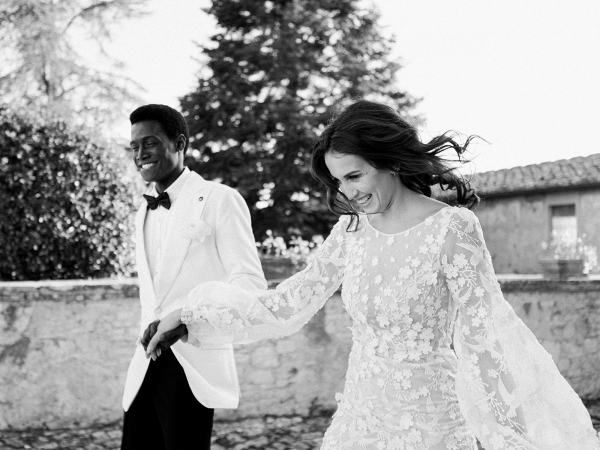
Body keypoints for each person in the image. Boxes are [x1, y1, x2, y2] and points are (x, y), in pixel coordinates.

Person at [146, 100, 600, 449]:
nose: (347, 192)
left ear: (391, 161)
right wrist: (189, 314)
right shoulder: (351, 230)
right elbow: (285, 304)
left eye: (355, 176)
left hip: (432, 422)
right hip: (359, 417)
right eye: (338, 181)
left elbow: (484, 342)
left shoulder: (453, 229)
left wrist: (507, 436)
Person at [121, 104, 267, 450]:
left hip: (193, 358)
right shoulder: (143, 209)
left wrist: (188, 319)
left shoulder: (220, 200)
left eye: (150, 143)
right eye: (134, 147)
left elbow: (249, 284)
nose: (140, 154)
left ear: (179, 143)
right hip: (144, 363)